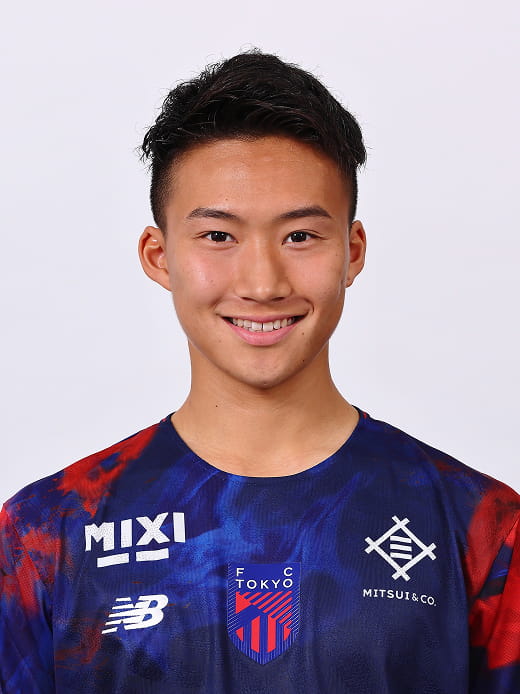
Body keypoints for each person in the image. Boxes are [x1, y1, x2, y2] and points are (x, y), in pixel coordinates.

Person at [1, 50, 519, 694]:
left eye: (300, 236)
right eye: (218, 236)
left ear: (352, 250)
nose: (263, 283)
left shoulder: (480, 527)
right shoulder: (48, 531)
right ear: (159, 256)